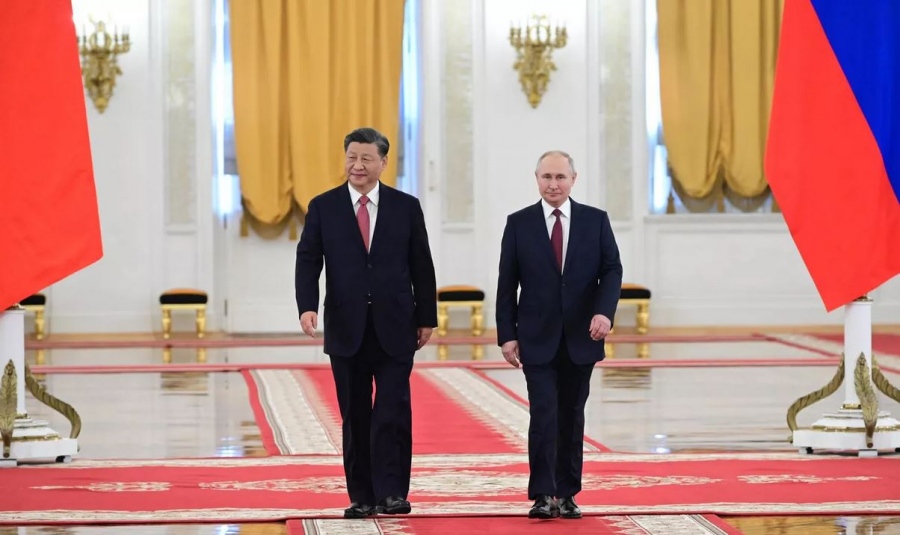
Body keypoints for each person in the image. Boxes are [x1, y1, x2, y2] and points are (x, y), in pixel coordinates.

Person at [295, 127, 437, 519]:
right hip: (346, 325)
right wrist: (307, 306)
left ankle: (392, 493)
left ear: (383, 162)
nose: (357, 165)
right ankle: (361, 495)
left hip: (397, 325)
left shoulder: (406, 207)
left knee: (393, 410)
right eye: (352, 157)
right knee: (355, 414)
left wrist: (427, 316)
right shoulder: (323, 207)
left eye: (366, 159)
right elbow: (308, 259)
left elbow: (422, 264)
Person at [495, 150, 622, 519]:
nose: (553, 184)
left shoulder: (595, 221)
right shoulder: (518, 223)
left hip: (582, 336)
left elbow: (612, 270)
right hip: (536, 337)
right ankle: (542, 494)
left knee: (571, 415)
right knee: (543, 414)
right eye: (547, 177)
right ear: (537, 179)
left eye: (560, 177)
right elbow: (507, 283)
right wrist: (507, 334)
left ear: (573, 179)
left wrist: (604, 312)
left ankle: (567, 494)